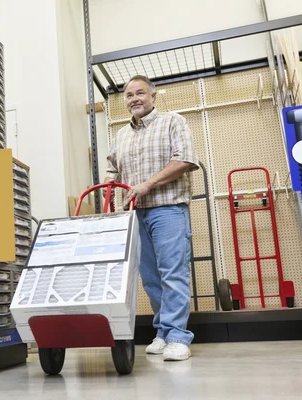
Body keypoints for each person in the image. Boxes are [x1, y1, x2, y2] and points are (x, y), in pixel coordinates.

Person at [105, 75, 199, 361]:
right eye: (129, 95)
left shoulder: (173, 121)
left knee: (173, 272)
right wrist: (108, 187)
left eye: (140, 93)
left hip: (167, 207)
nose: (134, 99)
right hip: (135, 214)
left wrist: (147, 184)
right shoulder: (121, 135)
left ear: (153, 96)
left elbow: (185, 160)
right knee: (150, 277)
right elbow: (112, 169)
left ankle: (178, 337)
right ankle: (162, 332)